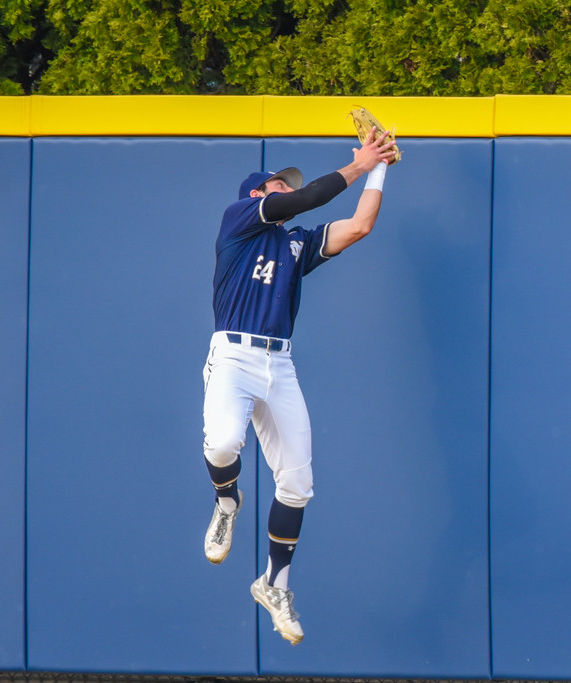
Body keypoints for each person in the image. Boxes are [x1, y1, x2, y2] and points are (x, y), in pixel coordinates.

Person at [201, 128, 396, 645]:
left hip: (279, 364)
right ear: (256, 196)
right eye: (276, 187)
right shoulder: (238, 221)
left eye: (285, 187)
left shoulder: (295, 241)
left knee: (298, 483)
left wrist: (378, 168)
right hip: (234, 355)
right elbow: (308, 197)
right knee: (222, 442)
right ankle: (227, 503)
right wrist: (358, 162)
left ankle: (274, 582)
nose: (286, 191)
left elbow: (359, 226)